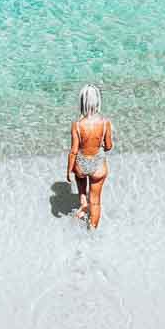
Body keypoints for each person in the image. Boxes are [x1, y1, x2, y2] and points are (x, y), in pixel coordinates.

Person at [66, 85, 113, 229]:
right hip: (98, 165)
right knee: (96, 201)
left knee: (79, 176)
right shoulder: (105, 123)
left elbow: (74, 150)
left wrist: (68, 170)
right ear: (98, 101)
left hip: (81, 163)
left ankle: (83, 203)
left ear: (82, 102)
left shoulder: (77, 125)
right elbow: (109, 146)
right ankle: (92, 228)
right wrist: (101, 147)